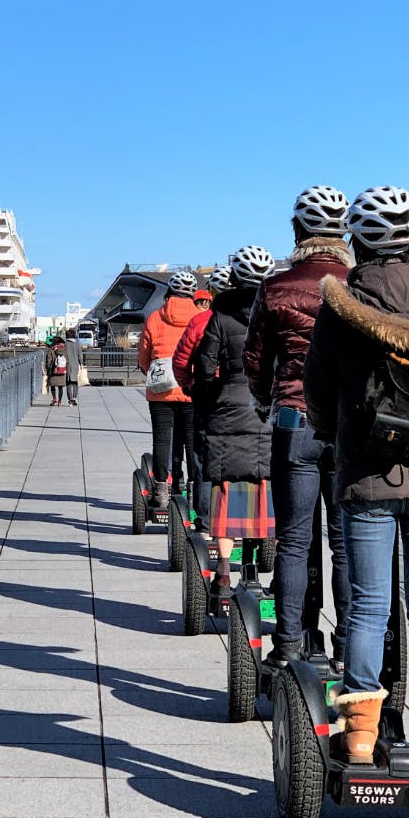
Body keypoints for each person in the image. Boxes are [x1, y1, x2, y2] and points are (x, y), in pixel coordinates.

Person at [304, 186, 409, 766]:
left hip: (369, 478)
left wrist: (329, 430)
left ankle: (358, 736)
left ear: (357, 240)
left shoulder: (342, 305)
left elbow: (318, 387)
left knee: (370, 605)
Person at [244, 185, 355, 670]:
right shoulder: (360, 285)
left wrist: (265, 398)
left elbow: (256, 358)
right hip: (349, 426)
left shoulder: (275, 287)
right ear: (344, 233)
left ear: (297, 231)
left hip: (295, 420)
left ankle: (288, 646)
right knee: (346, 542)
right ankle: (351, 650)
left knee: (293, 540)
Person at [192, 250, 272, 596]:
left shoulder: (219, 318)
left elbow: (204, 370)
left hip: (227, 407)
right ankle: (256, 571)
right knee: (265, 488)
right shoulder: (273, 314)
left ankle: (223, 573)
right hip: (266, 407)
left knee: (227, 492)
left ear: (234, 281)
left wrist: (210, 403)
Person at [174, 270, 232, 538]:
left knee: (203, 458)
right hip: (240, 398)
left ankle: (206, 521)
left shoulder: (200, 322)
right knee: (240, 458)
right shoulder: (250, 319)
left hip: (207, 397)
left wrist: (188, 386)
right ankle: (239, 521)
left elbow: (181, 360)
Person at [137, 271, 200, 511]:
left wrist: (149, 371)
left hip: (161, 388)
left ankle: (162, 490)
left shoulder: (155, 317)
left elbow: (144, 354)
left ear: (169, 293)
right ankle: (195, 491)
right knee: (193, 441)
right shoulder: (200, 316)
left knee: (162, 439)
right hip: (191, 388)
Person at [44, 337, 69, 405]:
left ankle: (54, 398)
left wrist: (47, 369)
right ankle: (60, 401)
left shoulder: (51, 350)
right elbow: (67, 360)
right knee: (60, 387)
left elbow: (48, 361)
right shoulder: (64, 350)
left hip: (53, 371)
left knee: (52, 385)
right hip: (62, 370)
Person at [62, 331, 83, 405]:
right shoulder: (77, 344)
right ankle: (74, 397)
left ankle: (70, 399)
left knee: (68, 383)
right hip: (76, 365)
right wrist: (81, 364)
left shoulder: (65, 344)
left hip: (67, 365)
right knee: (75, 382)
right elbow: (80, 355)